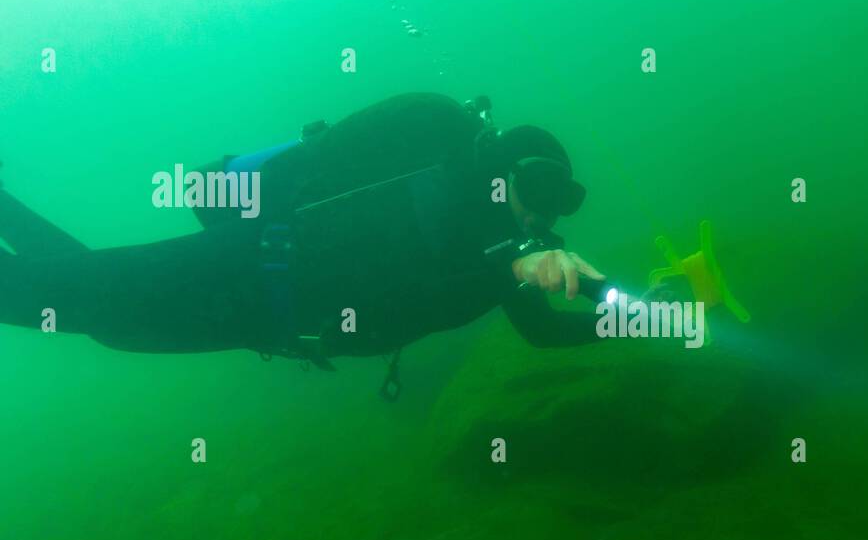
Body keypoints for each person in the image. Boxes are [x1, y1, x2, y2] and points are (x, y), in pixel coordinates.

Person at [0, 93, 609, 377]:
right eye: (541, 186)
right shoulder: (436, 142)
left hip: (268, 324)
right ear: (501, 163)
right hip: (247, 265)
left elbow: (547, 330)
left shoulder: (500, 253)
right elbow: (303, 172)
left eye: (563, 201)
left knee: (99, 316)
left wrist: (641, 316)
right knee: (68, 300)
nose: (544, 212)